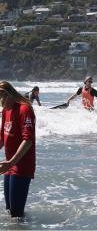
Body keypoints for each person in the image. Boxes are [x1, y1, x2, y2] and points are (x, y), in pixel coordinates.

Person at [0, 81, 36, 217]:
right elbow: (2, 138)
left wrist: (11, 162)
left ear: (8, 94)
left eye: (1, 99)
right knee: (9, 209)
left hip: (22, 166)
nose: (1, 105)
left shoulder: (24, 109)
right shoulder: (6, 111)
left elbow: (28, 140)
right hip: (10, 165)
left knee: (16, 214)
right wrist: (9, 164)